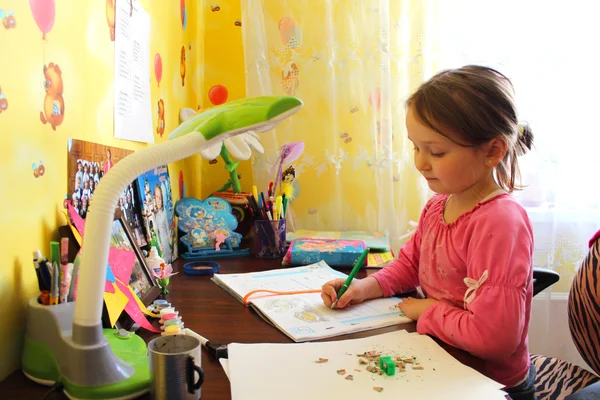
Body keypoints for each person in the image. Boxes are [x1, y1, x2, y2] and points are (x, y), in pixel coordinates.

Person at [321, 65, 535, 400]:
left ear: (493, 151)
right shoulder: (438, 206)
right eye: (415, 147)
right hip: (440, 362)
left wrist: (429, 311)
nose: (420, 162)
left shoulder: (500, 223)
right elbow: (409, 265)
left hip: (489, 385)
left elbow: (496, 339)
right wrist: (363, 288)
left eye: (436, 152)